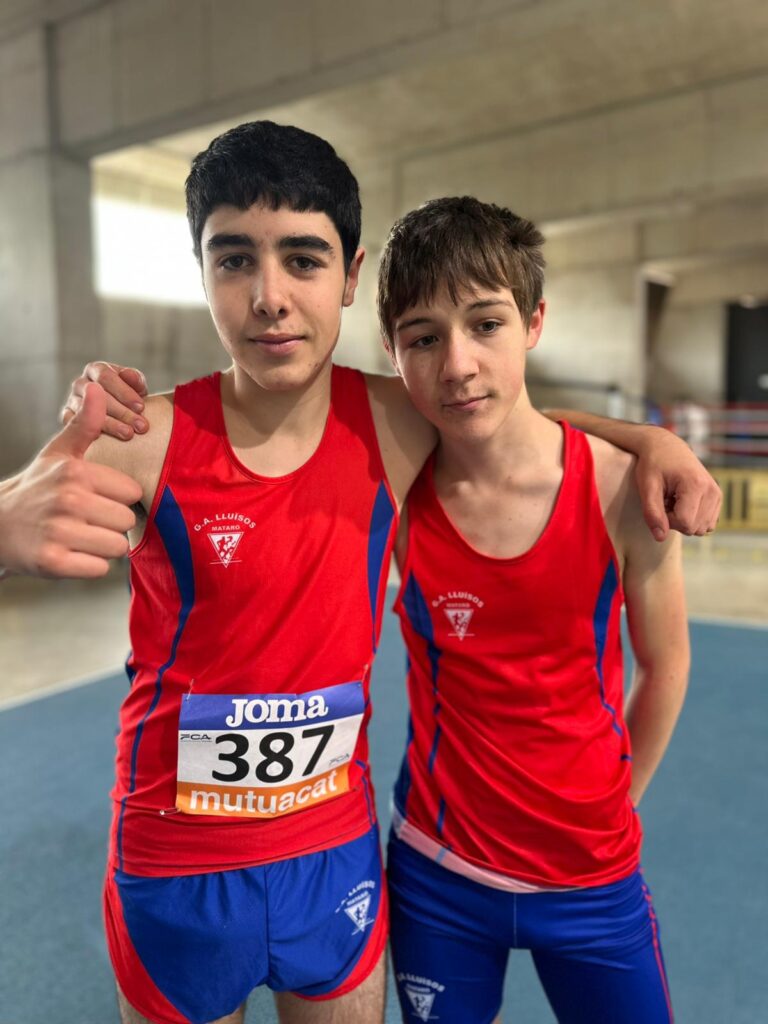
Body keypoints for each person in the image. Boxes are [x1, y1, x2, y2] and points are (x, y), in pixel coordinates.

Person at [0, 123, 718, 1024]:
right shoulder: (145, 439)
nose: (270, 297)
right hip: (178, 865)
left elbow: (505, 414)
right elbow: (32, 494)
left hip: (335, 858)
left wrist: (650, 442)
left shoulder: (393, 420)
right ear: (202, 273)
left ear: (349, 275)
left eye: (303, 259)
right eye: (234, 261)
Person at [376, 196, 689, 1023]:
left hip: (592, 879)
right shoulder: (395, 495)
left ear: (535, 322)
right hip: (438, 875)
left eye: (487, 324)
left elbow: (665, 665)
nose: (458, 365)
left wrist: (619, 800)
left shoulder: (622, 489)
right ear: (392, 352)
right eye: (422, 338)